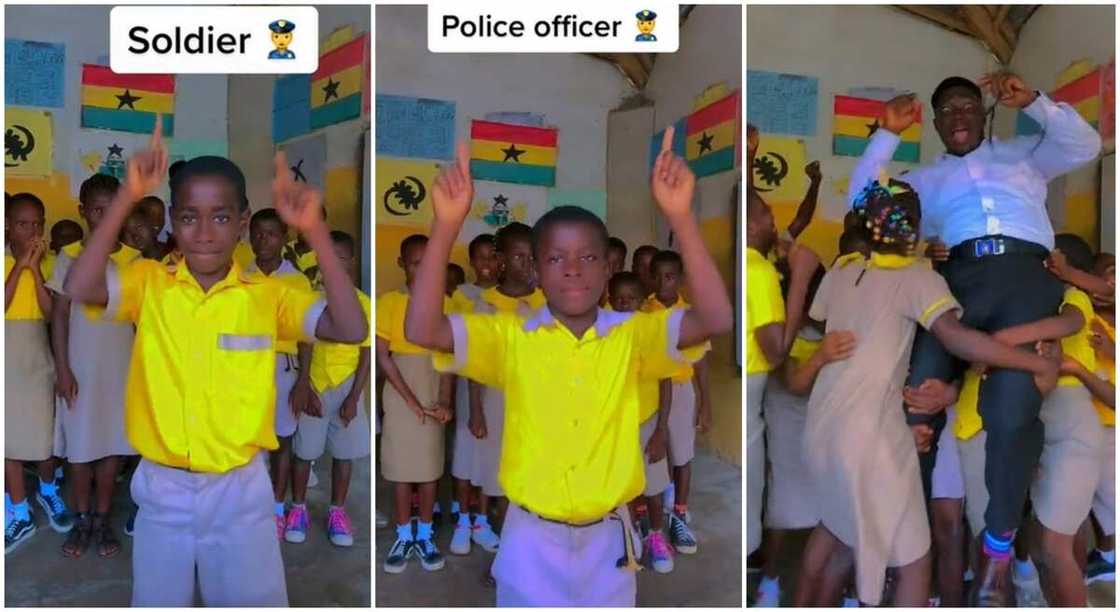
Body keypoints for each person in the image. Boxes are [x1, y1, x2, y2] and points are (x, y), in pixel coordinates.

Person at [404, 131, 733, 606]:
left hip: (609, 541)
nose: (573, 269)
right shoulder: (510, 337)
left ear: (607, 270)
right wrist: (446, 225)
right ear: (536, 270)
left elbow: (717, 319)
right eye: (556, 258)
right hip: (530, 540)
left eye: (588, 258)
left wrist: (681, 217)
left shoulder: (632, 334)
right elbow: (422, 329)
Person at [63, 121, 367, 605]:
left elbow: (351, 328)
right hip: (162, 490)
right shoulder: (149, 283)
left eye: (221, 218)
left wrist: (315, 232)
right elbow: (79, 288)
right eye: (189, 217)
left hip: (241, 491)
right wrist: (125, 197)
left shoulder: (269, 297)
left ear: (243, 222)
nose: (204, 233)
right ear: (171, 220)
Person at [850, 72, 1101, 604]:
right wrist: (886, 135)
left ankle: (997, 549)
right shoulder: (923, 178)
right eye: (947, 109)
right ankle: (902, 549)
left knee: (1012, 410)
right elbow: (864, 200)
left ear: (984, 115)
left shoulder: (1025, 155)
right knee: (916, 403)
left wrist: (1033, 101)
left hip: (1023, 279)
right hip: (957, 284)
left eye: (968, 105)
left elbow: (1085, 143)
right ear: (936, 124)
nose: (958, 114)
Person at [794, 179, 1060, 606]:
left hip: (823, 430)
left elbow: (840, 337)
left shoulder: (842, 272)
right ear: (916, 230)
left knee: (835, 534)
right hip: (871, 441)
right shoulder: (917, 279)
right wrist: (1033, 362)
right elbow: (958, 341)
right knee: (914, 562)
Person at [48, 174, 142, 559]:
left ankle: (102, 520)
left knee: (112, 450)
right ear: (83, 212)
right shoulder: (68, 256)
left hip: (120, 373)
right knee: (80, 452)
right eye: (97, 210)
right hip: (80, 371)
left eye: (112, 210)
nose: (104, 218)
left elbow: (142, 324)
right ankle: (82, 517)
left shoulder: (132, 260)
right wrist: (64, 370)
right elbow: (59, 316)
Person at [754, 243, 852, 607]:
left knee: (836, 505)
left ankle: (843, 584)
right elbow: (792, 383)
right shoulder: (786, 331)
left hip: (827, 423)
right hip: (789, 420)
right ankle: (772, 576)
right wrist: (824, 356)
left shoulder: (835, 327)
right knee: (785, 503)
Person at [457, 222, 547, 559]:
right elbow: (476, 361)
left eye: (532, 257)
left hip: (532, 402)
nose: (527, 264)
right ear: (502, 260)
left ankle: (519, 548)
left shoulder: (543, 302)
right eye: (519, 256)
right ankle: (506, 550)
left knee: (524, 470)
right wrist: (477, 409)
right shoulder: (485, 303)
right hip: (494, 399)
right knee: (494, 467)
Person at [288, 230, 371, 548]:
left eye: (339, 258)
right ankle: (298, 508)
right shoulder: (312, 299)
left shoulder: (362, 303)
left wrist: (354, 397)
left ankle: (337, 511)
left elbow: (365, 353)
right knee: (304, 453)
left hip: (347, 385)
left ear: (350, 262)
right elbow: (305, 344)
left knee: (344, 455)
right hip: (316, 386)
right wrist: (305, 384)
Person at [377, 234, 454, 574]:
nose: (422, 270)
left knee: (427, 468)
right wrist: (411, 401)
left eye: (429, 264)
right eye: (414, 263)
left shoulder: (444, 303)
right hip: (401, 392)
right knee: (400, 468)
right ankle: (402, 534)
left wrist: (444, 401)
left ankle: (424, 535)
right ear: (401, 264)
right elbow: (383, 356)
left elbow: (450, 358)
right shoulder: (390, 302)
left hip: (433, 388)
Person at [5, 193, 73, 553]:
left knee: (45, 437)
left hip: (37, 357)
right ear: (6, 226)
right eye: (22, 224)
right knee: (8, 441)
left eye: (37, 224)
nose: (31, 231)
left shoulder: (48, 266)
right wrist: (18, 266)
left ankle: (48, 493)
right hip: (7, 357)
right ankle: (18, 511)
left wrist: (33, 269)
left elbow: (51, 315)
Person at [245, 207, 315, 539]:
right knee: (249, 441)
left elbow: (306, 333)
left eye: (271, 233)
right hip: (245, 367)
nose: (263, 240)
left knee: (282, 441)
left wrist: (303, 381)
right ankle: (251, 507)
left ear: (284, 238)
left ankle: (276, 507)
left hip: (283, 368)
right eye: (257, 233)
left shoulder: (297, 280)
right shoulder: (241, 274)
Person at [642, 249, 710, 555]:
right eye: (656, 276)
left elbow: (702, 362)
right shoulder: (644, 312)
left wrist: (706, 402)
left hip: (682, 390)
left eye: (669, 277)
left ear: (680, 279)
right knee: (653, 453)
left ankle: (679, 515)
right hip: (650, 392)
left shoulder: (691, 315)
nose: (662, 283)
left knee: (682, 454)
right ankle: (650, 513)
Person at [609, 270, 675, 574]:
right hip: (617, 423)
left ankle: (656, 536)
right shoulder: (604, 332)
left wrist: (661, 430)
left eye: (630, 299)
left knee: (653, 486)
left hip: (648, 421)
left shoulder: (651, 332)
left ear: (641, 302)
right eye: (618, 299)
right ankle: (630, 534)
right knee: (624, 484)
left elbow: (665, 382)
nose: (623, 304)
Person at [448, 233, 496, 542]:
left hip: (500, 388)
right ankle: (463, 521)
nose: (488, 264)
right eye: (481, 257)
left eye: (493, 257)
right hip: (469, 385)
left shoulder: (510, 297)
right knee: (466, 452)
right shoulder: (462, 295)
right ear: (471, 261)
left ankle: (482, 520)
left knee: (491, 456)